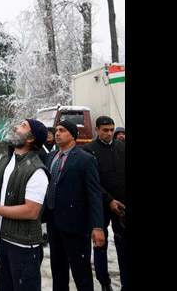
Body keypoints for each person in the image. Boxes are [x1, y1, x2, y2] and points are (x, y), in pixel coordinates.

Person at [0, 119, 49, 291]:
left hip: (23, 247)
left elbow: (31, 211)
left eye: (23, 126)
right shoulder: (5, 160)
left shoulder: (37, 170)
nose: (15, 126)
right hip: (3, 241)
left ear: (31, 138)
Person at [43, 120, 105, 291]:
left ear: (72, 135)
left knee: (81, 271)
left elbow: (94, 193)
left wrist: (98, 226)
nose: (57, 133)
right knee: (58, 270)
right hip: (54, 223)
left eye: (62, 130)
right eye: (56, 130)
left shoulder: (86, 159)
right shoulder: (51, 157)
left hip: (76, 225)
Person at [84, 117, 126, 291]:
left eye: (111, 130)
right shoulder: (88, 151)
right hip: (99, 206)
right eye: (105, 130)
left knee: (123, 245)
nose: (109, 133)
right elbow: (90, 182)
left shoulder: (122, 148)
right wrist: (108, 200)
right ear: (97, 129)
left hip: (121, 206)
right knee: (100, 245)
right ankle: (104, 281)